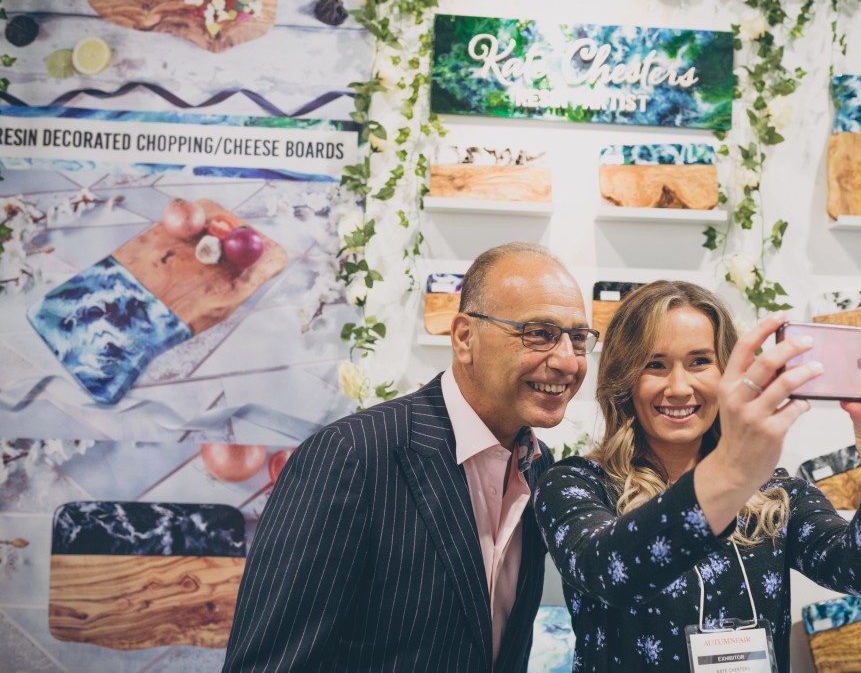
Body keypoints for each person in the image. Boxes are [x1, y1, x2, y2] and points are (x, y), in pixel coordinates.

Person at [533, 280, 861, 672]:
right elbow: (613, 572)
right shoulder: (575, 484)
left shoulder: (774, 492)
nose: (679, 387)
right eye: (655, 364)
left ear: (726, 373)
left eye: (700, 361)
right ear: (623, 379)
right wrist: (733, 471)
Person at [222, 242, 599, 672]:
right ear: (464, 337)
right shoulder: (352, 457)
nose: (567, 361)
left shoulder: (538, 466)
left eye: (579, 338)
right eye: (539, 334)